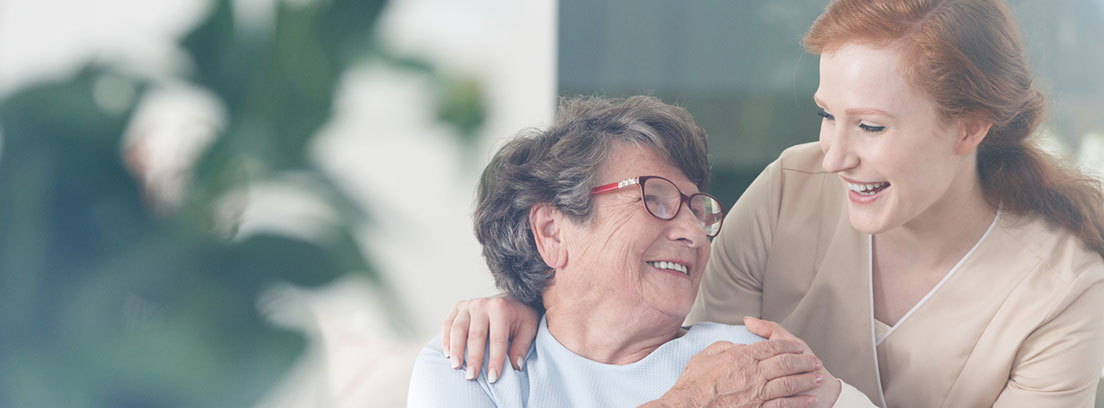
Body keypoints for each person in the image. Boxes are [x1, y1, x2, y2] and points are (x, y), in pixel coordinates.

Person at [440, 0, 1104, 406]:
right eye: (825, 115)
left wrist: (828, 399)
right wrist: (535, 299)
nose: (835, 155)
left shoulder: (1065, 291)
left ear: (969, 127)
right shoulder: (795, 185)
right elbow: (663, 353)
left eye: (870, 126)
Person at [408, 96, 852, 407]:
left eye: (698, 210)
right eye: (655, 198)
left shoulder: (749, 365)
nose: (694, 234)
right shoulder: (473, 365)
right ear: (552, 232)